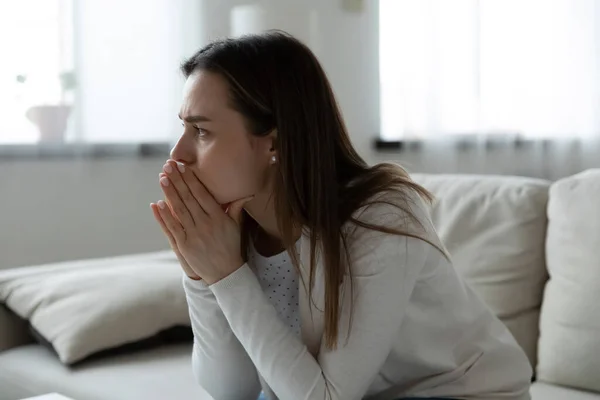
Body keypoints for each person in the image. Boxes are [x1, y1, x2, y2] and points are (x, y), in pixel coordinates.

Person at [149, 31, 532, 400]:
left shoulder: (384, 216)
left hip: (462, 391)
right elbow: (232, 391)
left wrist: (228, 276)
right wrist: (203, 276)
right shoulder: (234, 230)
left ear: (275, 142)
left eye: (201, 131)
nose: (177, 154)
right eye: (183, 127)